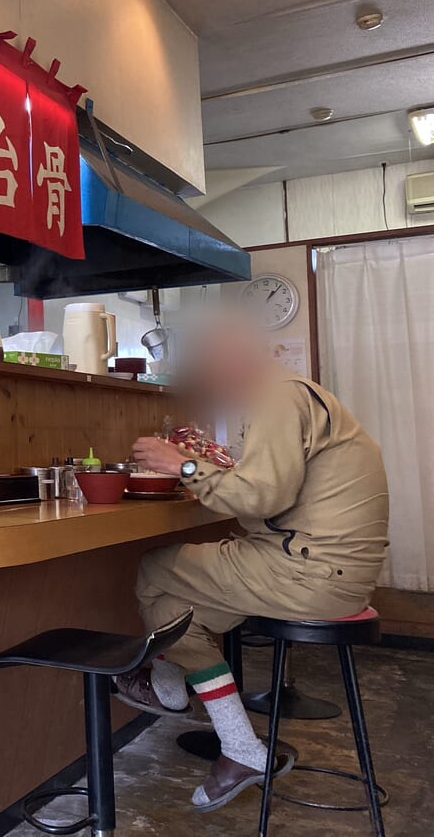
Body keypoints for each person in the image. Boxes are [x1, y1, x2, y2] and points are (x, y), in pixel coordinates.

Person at [119, 314, 388, 812]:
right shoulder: (301, 396)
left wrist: (181, 464)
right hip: (337, 573)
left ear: (231, 364)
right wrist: (217, 471)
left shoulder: (279, 397)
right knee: (181, 614)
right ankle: (239, 747)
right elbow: (277, 491)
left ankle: (169, 688)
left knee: (154, 568)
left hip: (308, 572)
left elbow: (263, 497)